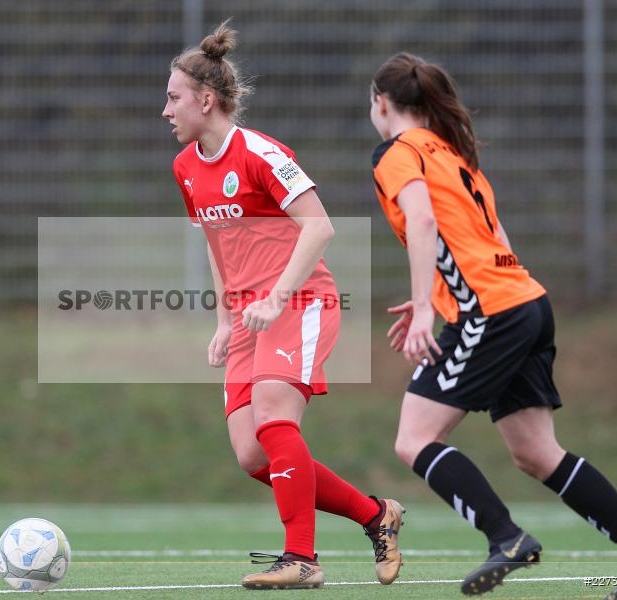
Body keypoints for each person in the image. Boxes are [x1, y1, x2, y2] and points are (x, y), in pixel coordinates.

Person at [369, 52, 617, 599]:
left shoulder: (397, 153)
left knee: (415, 438)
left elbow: (425, 219)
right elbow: (490, 237)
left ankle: (506, 538)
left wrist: (428, 306)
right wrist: (434, 294)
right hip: (524, 300)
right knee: (536, 453)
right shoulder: (455, 155)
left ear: (381, 104)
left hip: (491, 312)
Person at [163, 22, 405, 590]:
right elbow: (217, 242)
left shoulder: (262, 153)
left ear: (206, 99)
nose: (165, 110)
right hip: (250, 316)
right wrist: (225, 320)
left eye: (173, 97)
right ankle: (378, 516)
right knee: (253, 456)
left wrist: (274, 299)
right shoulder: (186, 169)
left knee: (275, 414)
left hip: (299, 301)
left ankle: (302, 559)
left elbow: (319, 228)